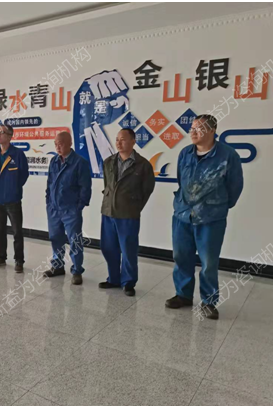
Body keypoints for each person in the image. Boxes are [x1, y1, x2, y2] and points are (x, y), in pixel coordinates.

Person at [165, 114, 243, 320]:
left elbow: (235, 187)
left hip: (211, 218)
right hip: (183, 214)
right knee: (181, 256)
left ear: (212, 130)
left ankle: (209, 301)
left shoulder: (228, 155)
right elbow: (181, 181)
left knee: (208, 261)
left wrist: (218, 206)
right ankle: (183, 295)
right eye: (191, 128)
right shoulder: (185, 153)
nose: (193, 132)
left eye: (198, 128)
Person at [98, 128, 155, 296]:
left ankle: (128, 282)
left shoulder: (143, 165)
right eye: (117, 139)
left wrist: (134, 207)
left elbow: (147, 189)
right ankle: (114, 279)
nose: (118, 143)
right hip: (108, 212)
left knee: (128, 250)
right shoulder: (108, 162)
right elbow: (107, 185)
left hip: (128, 215)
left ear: (133, 141)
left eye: (122, 139)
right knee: (108, 248)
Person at [42, 132, 92, 285]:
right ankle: (57, 266)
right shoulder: (54, 161)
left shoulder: (80, 162)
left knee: (75, 240)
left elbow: (85, 187)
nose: (58, 147)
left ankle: (77, 270)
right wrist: (48, 201)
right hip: (54, 208)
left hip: (71, 209)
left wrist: (79, 206)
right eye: (56, 144)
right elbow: (50, 183)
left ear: (70, 143)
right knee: (55, 238)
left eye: (61, 143)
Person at [0, 124, 29, 272]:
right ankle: (1, 257)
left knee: (17, 232)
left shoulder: (18, 154)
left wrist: (13, 188)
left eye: (2, 132)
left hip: (13, 200)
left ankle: (19, 260)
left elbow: (24, 175)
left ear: (10, 136)